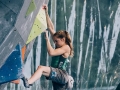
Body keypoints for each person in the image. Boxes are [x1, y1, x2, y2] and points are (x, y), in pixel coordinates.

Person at [22, 4, 74, 90]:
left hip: (61, 74)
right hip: (57, 78)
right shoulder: (59, 43)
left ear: (63, 39)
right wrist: (46, 12)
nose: (55, 43)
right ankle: (29, 82)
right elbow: (50, 27)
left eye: (56, 41)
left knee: (41, 68)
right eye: (54, 41)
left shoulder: (66, 47)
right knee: (41, 69)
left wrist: (47, 39)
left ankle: (29, 82)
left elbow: (51, 53)